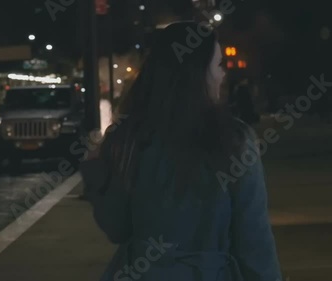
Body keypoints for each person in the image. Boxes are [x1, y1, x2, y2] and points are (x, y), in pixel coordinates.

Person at [81, 22, 282, 281]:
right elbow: (253, 240)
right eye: (218, 65)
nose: (222, 75)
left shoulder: (129, 138)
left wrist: (96, 175)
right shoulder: (233, 141)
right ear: (198, 73)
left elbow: (117, 229)